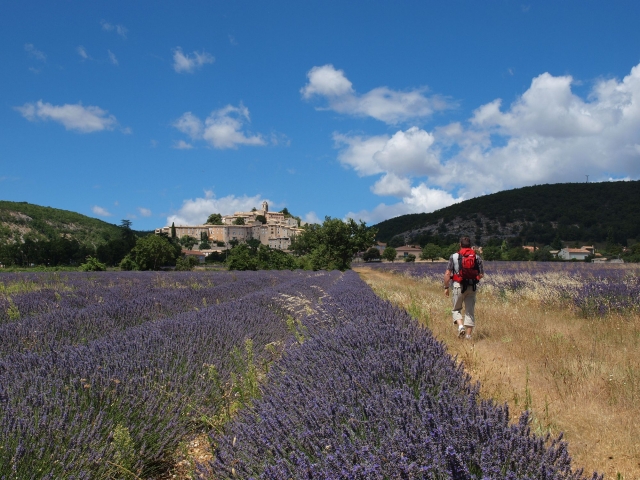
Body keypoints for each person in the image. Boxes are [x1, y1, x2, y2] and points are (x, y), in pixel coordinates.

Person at [443, 237, 484, 340]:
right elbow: (481, 274)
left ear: (460, 245)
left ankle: (461, 327)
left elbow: (448, 273)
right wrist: (474, 278)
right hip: (472, 287)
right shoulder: (477, 257)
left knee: (456, 310)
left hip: (458, 286)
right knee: (469, 312)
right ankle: (468, 336)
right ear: (470, 245)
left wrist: (446, 287)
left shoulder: (454, 256)